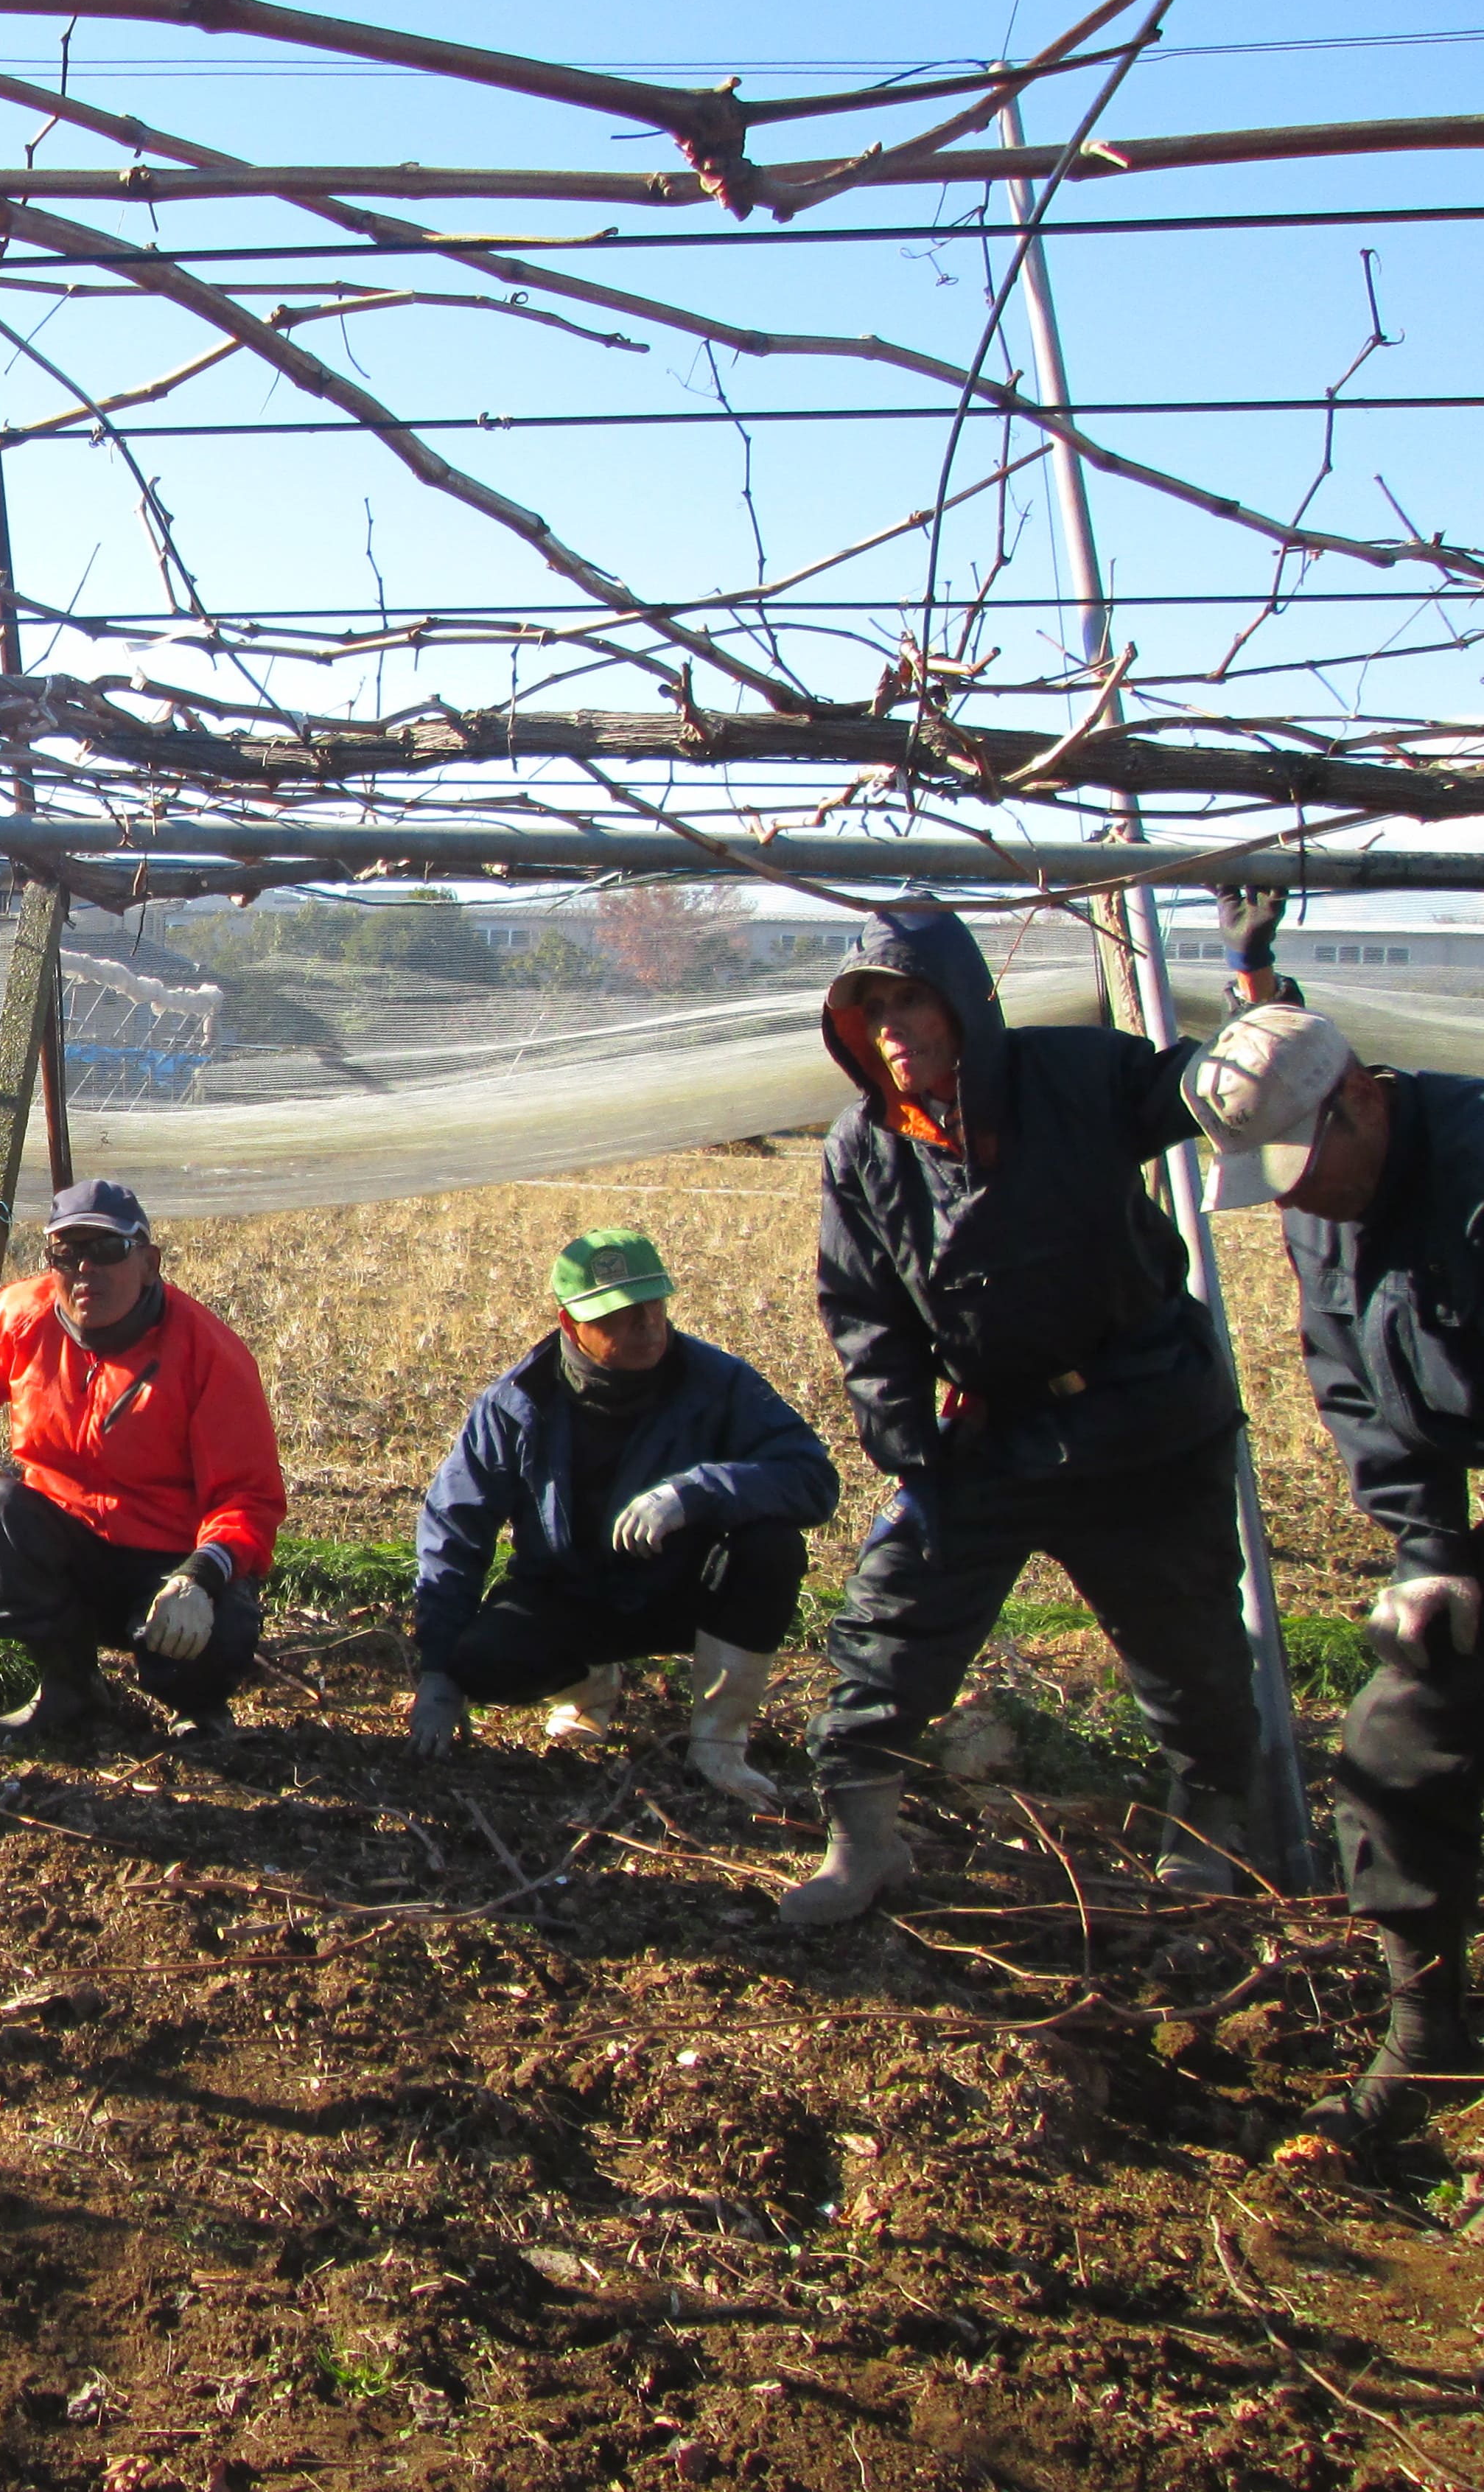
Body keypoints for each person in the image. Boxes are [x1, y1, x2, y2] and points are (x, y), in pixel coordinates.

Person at [788, 902, 1264, 1926]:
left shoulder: (1076, 1076)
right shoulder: (865, 1147)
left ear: (963, 1003)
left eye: (908, 1000)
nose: (890, 1029)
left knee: (1189, 1647)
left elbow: (1205, 1087)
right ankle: (863, 1840)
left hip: (1142, 1423)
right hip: (991, 1433)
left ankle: (1209, 1827)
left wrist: (1258, 992)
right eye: (868, 1013)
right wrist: (909, 1439)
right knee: (892, 1622)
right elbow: (862, 1305)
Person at [1180, 994, 1483, 2144]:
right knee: (1393, 1753)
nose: (1296, 1197)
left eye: (1305, 1165)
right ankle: (1430, 2042)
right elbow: (1349, 1379)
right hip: (1469, 1534)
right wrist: (1432, 1553)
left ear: (1361, 1098)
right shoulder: (1322, 1199)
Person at [406, 1227, 838, 1806]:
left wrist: (698, 1492)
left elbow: (813, 1478)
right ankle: (588, 1688)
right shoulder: (515, 1402)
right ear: (569, 1324)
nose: (647, 1326)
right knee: (479, 1664)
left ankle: (718, 1744)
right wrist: (437, 1674)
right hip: (572, 1592)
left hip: (685, 1590)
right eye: (621, 1314)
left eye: (655, 1305)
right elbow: (454, 1531)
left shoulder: (720, 1383)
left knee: (770, 1548)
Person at [0, 1179, 286, 1747]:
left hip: (170, 1564)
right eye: (66, 1253)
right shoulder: (23, 1315)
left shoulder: (209, 1353)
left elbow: (248, 1498)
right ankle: (69, 1687)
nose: (85, 1270)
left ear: (149, 1263)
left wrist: (200, 1578)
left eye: (106, 1251)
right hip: (71, 1549)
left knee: (213, 1631)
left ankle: (198, 1710)